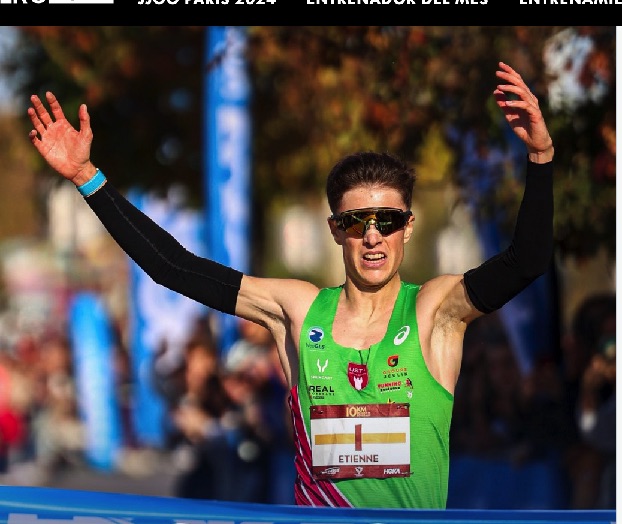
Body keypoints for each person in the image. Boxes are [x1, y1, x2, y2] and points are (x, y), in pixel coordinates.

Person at [27, 61, 554, 509]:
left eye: (388, 222)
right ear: (335, 230)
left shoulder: (434, 311)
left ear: (409, 227)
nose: (373, 238)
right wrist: (88, 179)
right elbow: (173, 267)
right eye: (356, 223)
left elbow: (526, 260)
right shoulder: (297, 310)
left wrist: (540, 158)